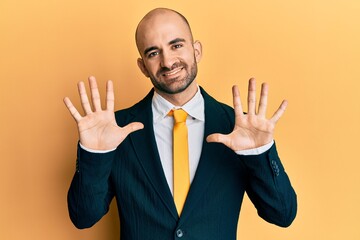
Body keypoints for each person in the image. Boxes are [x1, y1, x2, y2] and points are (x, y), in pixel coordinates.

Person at [64, 7, 297, 240]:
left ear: (196, 51)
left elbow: (282, 214)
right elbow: (83, 217)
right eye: (153, 53)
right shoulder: (116, 130)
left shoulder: (236, 128)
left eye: (176, 46)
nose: (167, 62)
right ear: (143, 66)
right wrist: (94, 154)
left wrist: (260, 153)